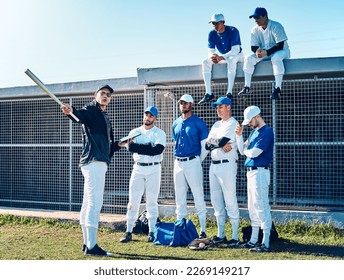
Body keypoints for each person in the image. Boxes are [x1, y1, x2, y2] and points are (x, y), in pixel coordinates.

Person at [61, 84, 121, 257]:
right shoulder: (91, 110)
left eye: (108, 95)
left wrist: (118, 144)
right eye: (102, 93)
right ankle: (92, 246)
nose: (105, 96)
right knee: (95, 202)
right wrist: (70, 110)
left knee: (88, 202)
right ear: (96, 95)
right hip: (93, 161)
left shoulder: (104, 116)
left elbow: (108, 146)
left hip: (99, 160)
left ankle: (87, 243)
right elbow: (79, 116)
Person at [119, 106, 166, 243]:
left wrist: (139, 148)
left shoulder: (159, 133)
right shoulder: (135, 132)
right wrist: (147, 147)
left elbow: (157, 150)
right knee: (133, 201)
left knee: (152, 201)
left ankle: (152, 231)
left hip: (154, 168)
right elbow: (130, 148)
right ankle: (128, 231)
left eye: (151, 116)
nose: (148, 118)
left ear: (155, 118)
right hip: (138, 168)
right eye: (146, 115)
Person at [235, 105, 274, 253]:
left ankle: (266, 242)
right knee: (252, 206)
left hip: (260, 172)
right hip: (251, 172)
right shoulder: (254, 132)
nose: (249, 124)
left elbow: (254, 153)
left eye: (250, 121)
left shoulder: (267, 132)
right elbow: (242, 150)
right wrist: (239, 137)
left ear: (257, 117)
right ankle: (253, 240)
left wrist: (246, 150)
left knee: (261, 205)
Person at [172, 94, 209, 238]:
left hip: (193, 161)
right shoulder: (176, 123)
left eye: (185, 103)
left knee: (198, 194)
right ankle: (179, 227)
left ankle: (203, 230)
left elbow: (205, 146)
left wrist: (197, 161)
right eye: (181, 103)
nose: (183, 105)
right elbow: (175, 141)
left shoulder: (198, 122)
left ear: (191, 104)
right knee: (179, 196)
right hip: (178, 162)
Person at [205, 97, 240, 247]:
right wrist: (218, 144)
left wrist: (218, 143)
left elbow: (219, 141)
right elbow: (207, 145)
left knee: (230, 200)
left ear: (228, 108)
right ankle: (221, 235)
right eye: (217, 107)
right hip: (214, 165)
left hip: (227, 165)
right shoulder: (216, 124)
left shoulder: (234, 123)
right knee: (216, 201)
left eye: (221, 107)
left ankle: (235, 237)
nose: (218, 109)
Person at [237, 7, 290, 100]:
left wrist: (266, 52)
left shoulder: (276, 26)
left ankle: (278, 88)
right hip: (265, 52)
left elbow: (280, 45)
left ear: (265, 16)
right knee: (249, 58)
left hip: (282, 51)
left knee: (276, 58)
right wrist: (257, 51)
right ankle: (247, 87)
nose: (255, 20)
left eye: (258, 17)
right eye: (254, 18)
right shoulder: (254, 29)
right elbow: (253, 46)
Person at [199, 13, 244, 105]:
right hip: (224, 56)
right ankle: (208, 93)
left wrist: (221, 57)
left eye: (217, 23)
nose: (214, 25)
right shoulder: (211, 33)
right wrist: (213, 56)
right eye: (213, 23)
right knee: (205, 62)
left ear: (223, 22)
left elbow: (236, 50)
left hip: (237, 55)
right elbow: (210, 50)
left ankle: (229, 93)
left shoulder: (233, 30)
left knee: (231, 61)